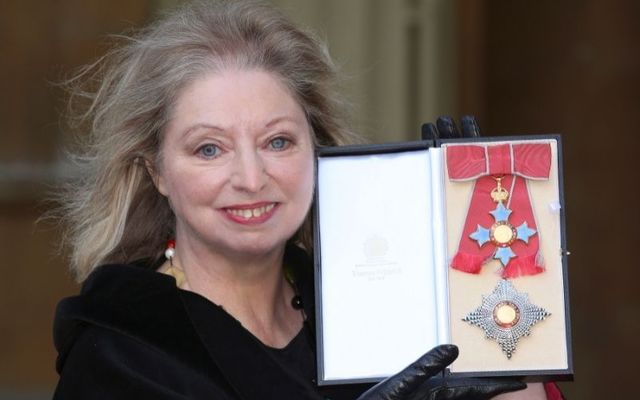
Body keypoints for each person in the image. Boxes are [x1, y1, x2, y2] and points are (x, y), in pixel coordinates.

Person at [52, 1, 562, 399]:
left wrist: (493, 271)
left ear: (317, 149)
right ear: (156, 171)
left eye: (277, 142)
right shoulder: (119, 353)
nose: (251, 178)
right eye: (209, 148)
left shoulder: (377, 305)